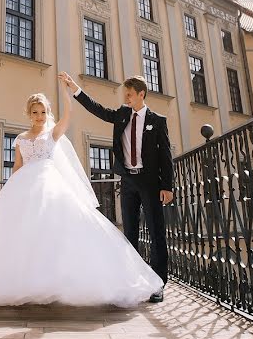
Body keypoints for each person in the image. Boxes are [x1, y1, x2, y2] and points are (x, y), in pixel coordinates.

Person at [0, 81, 162, 307]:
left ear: (48, 113)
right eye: (35, 112)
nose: (39, 116)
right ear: (28, 114)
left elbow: (68, 116)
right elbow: (17, 166)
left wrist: (68, 93)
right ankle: (24, 281)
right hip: (23, 186)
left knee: (55, 230)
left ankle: (55, 281)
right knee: (20, 233)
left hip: (50, 186)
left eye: (43, 112)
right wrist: (7, 192)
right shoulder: (20, 139)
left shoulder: (52, 134)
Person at [60, 72, 174, 303]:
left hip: (150, 182)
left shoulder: (157, 120)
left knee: (155, 232)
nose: (127, 99)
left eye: (130, 95)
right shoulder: (122, 114)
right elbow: (99, 110)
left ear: (141, 94)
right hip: (128, 181)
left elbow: (166, 156)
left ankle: (158, 283)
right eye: (125, 95)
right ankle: (131, 281)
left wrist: (167, 186)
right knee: (129, 232)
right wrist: (75, 88)